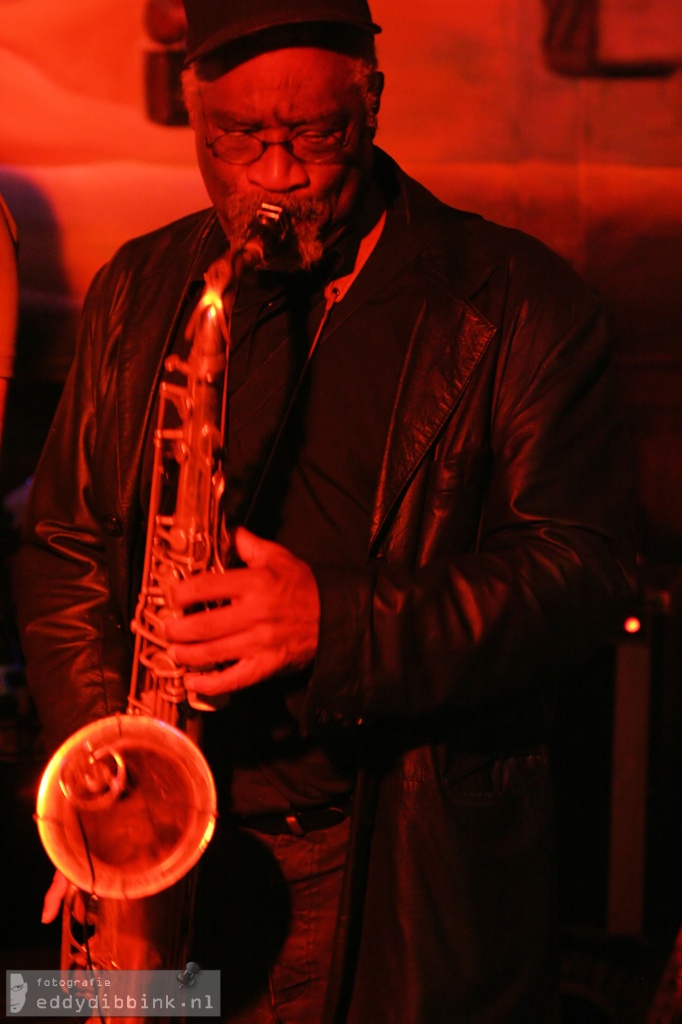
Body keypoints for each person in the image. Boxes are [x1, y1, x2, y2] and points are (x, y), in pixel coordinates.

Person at [16, 1, 635, 1021]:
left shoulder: (524, 302)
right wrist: (111, 788)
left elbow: (583, 570)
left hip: (372, 862)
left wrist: (332, 624)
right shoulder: (143, 284)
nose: (276, 175)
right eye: (238, 141)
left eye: (314, 135)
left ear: (373, 104)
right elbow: (68, 546)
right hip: (175, 861)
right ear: (191, 115)